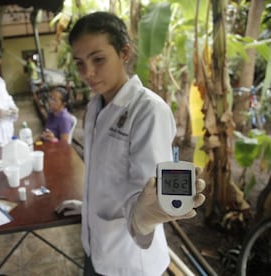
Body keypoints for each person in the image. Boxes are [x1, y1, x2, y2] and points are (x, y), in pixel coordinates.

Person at [54, 12, 206, 275]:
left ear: (124, 52)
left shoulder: (148, 111)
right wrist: (87, 206)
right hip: (95, 245)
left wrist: (144, 215)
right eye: (80, 63)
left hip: (130, 261)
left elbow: (147, 192)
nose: (88, 73)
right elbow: (104, 174)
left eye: (98, 59)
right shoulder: (95, 106)